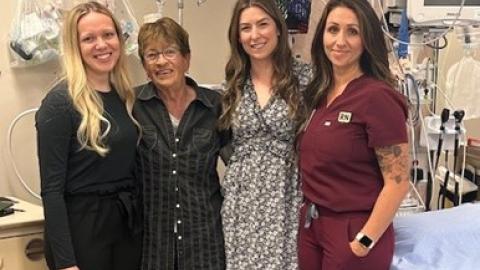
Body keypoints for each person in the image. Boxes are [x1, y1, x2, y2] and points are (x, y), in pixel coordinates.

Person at [297, 0, 410, 269]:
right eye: (333, 29)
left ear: (367, 39)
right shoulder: (319, 94)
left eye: (353, 32)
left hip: (353, 229)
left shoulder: (377, 97)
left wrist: (364, 242)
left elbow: (398, 183)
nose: (340, 41)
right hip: (313, 225)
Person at [36, 2, 142, 270]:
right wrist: (65, 262)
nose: (102, 44)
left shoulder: (125, 96)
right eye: (89, 38)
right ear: (75, 47)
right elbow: (51, 191)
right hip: (82, 232)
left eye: (108, 34)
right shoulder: (60, 104)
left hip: (124, 227)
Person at [218, 0, 311, 269]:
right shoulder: (232, 85)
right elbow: (224, 142)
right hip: (241, 202)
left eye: (262, 24)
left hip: (287, 197)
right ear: (237, 36)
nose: (255, 35)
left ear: (278, 29)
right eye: (245, 28)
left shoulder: (305, 79)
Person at [134, 17, 230, 270]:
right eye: (152, 54)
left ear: (186, 59)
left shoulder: (214, 105)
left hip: (204, 239)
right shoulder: (132, 105)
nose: (161, 61)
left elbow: (239, 164)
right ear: (144, 65)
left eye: (170, 52)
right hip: (152, 242)